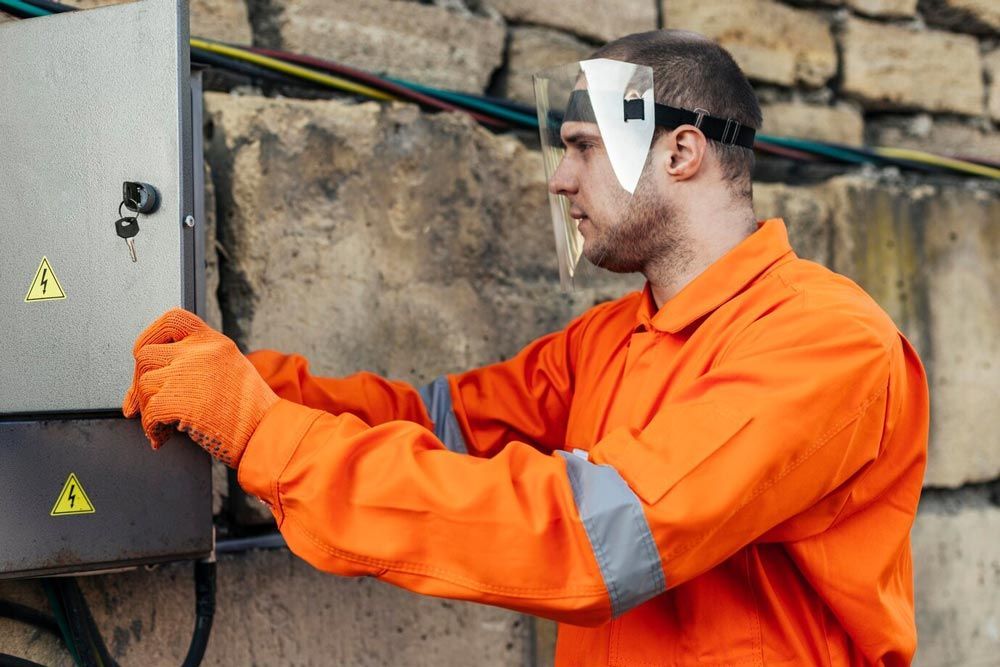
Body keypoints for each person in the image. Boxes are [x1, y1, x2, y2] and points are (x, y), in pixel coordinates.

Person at [123, 30, 928, 666]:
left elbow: (587, 540)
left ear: (681, 153)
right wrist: (237, 385)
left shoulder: (823, 343)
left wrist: (265, 438)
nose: (559, 177)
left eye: (583, 146)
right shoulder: (610, 338)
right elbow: (438, 423)